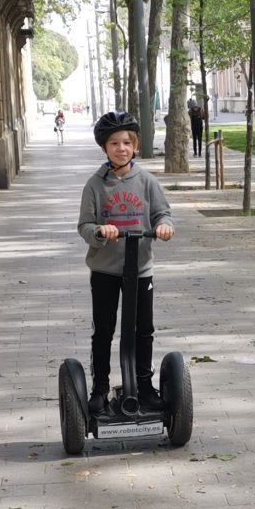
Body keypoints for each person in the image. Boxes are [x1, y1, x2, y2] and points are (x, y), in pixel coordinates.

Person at [77, 111, 175, 401]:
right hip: (106, 269)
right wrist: (99, 231)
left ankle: (144, 385)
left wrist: (164, 226)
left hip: (141, 267)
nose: (121, 148)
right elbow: (84, 224)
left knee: (143, 329)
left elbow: (162, 212)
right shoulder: (95, 184)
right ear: (105, 148)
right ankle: (100, 387)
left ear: (135, 146)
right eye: (114, 144)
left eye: (127, 143)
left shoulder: (146, 181)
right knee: (104, 330)